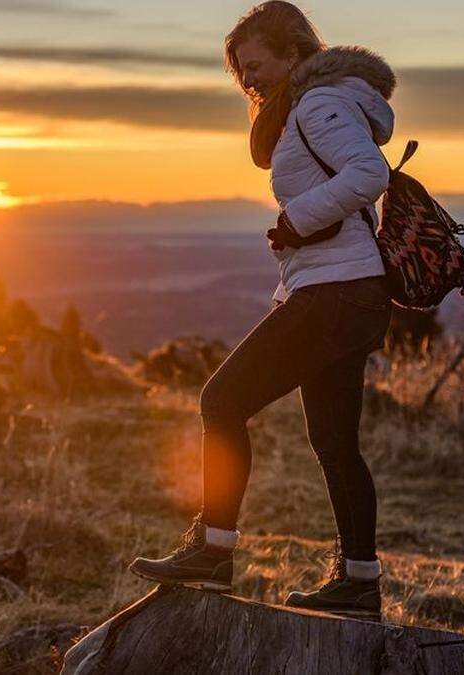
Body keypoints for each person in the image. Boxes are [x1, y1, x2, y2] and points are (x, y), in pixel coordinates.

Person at [128, 1, 396, 622]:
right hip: (348, 290)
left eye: (257, 65)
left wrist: (296, 221)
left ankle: (214, 549)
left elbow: (368, 172)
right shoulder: (317, 104)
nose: (249, 81)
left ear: (294, 54)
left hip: (335, 291)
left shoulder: (318, 104)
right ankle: (359, 582)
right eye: (241, 73)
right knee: (333, 441)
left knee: (220, 401)